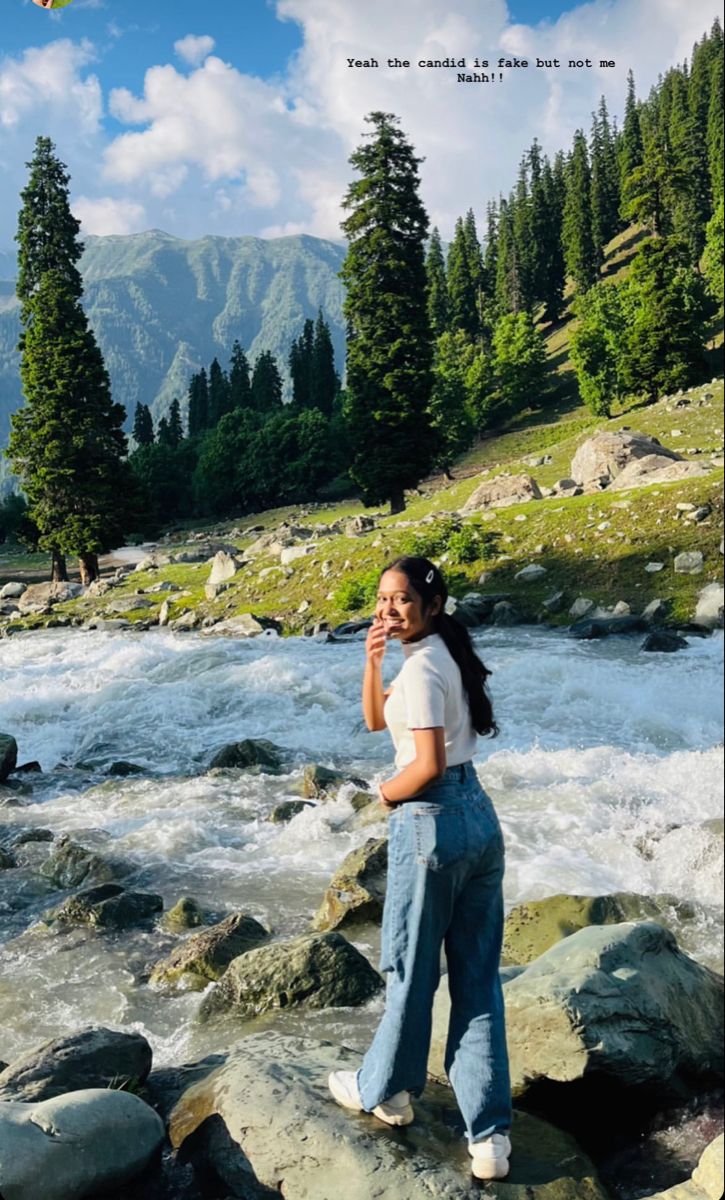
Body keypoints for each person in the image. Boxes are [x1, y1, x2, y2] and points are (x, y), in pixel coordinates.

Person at [328, 555, 512, 1182]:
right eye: (382, 600)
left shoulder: (427, 665)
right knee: (478, 977)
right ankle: (489, 1139)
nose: (387, 610)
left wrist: (383, 794)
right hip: (478, 819)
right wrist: (372, 660)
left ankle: (383, 1087)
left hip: (431, 819)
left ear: (433, 606)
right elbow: (379, 719)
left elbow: (426, 762)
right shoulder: (437, 655)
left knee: (409, 969)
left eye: (401, 600)